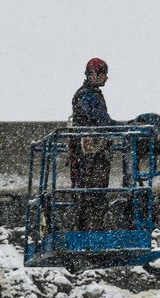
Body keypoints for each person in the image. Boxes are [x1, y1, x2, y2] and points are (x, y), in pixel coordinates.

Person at [69, 58, 116, 228]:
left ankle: (89, 227)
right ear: (94, 74)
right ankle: (92, 229)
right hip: (90, 155)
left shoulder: (89, 94)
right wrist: (122, 127)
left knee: (90, 192)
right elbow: (102, 121)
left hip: (89, 154)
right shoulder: (87, 96)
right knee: (93, 192)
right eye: (104, 74)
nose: (106, 78)